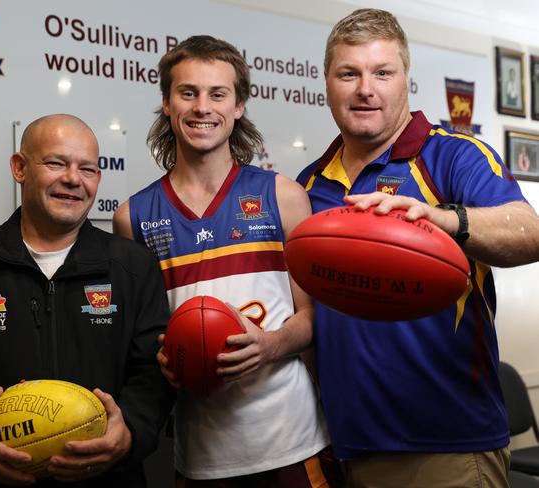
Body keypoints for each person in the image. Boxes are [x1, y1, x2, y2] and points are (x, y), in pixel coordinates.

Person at [297, 8, 539, 487]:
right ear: (327, 82)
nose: (366, 88)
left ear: (406, 80)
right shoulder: (310, 184)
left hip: (447, 445)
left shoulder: (452, 154)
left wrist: (441, 219)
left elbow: (530, 232)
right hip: (346, 444)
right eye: (350, 73)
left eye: (382, 72)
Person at [0, 114, 175, 487]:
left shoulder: (133, 268)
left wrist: (130, 432)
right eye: (56, 163)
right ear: (20, 168)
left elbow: (154, 372)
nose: (73, 179)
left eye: (87, 168)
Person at [114, 36, 341, 487]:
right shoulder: (132, 217)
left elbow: (314, 317)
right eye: (188, 92)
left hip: (294, 445)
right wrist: (162, 358)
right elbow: (141, 339)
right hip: (201, 455)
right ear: (166, 103)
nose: (203, 107)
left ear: (238, 106)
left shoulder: (283, 196)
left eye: (218, 94)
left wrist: (271, 345)